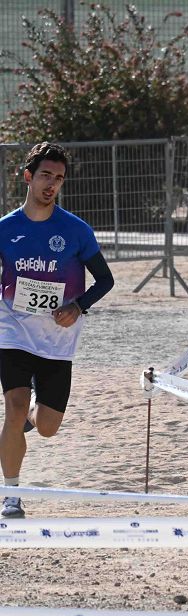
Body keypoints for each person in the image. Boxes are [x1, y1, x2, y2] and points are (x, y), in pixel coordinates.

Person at [0, 142, 115, 519]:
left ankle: (32, 416)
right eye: (46, 176)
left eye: (59, 178)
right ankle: (11, 496)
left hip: (57, 339)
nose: (52, 184)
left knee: (47, 426)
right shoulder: (5, 229)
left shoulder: (75, 230)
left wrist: (77, 305)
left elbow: (105, 280)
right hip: (12, 331)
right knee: (13, 407)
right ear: (28, 177)